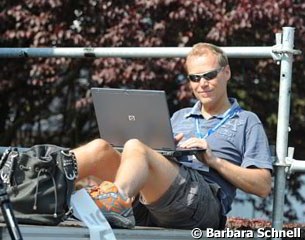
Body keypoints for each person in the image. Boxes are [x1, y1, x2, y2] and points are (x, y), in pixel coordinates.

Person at [72, 43, 273, 230]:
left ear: (227, 72)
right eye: (194, 78)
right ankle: (48, 183)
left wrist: (214, 161)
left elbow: (263, 186)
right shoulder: (179, 117)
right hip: (153, 201)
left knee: (136, 146)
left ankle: (117, 201)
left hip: (203, 205)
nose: (202, 83)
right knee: (100, 148)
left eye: (209, 75)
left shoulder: (246, 120)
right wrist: (164, 152)